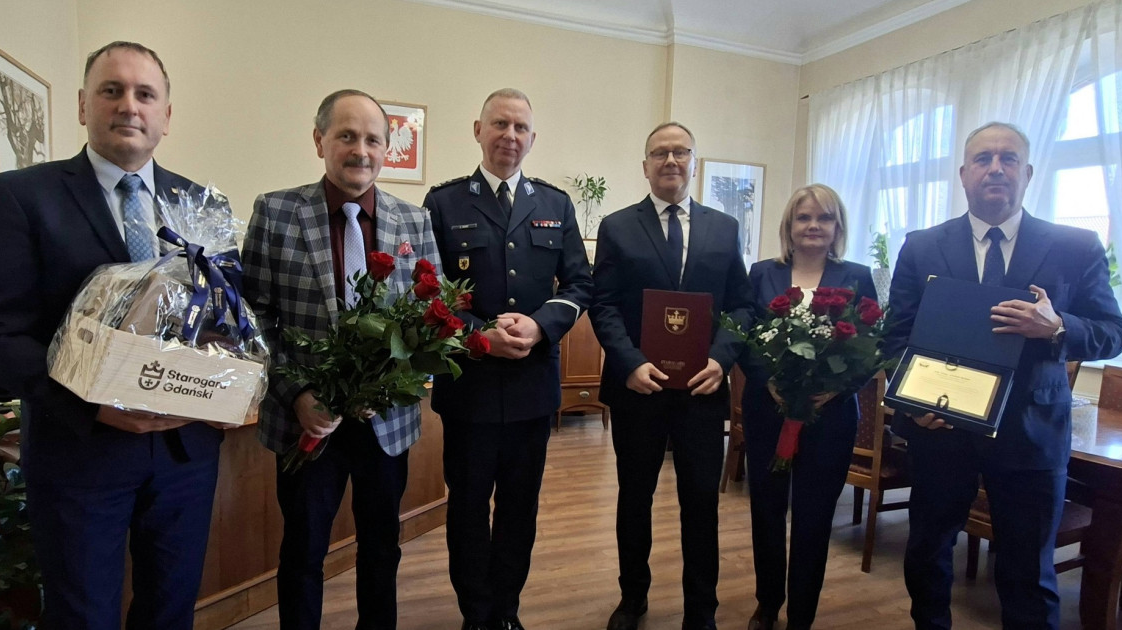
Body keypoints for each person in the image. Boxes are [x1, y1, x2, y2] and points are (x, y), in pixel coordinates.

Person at [0, 42, 221, 628]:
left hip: (186, 453)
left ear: (166, 116)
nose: (129, 105)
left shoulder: (201, 204)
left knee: (171, 612)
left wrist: (229, 386)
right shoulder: (17, 197)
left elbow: (226, 319)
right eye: (112, 90)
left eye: (145, 94)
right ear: (83, 105)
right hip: (77, 451)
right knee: (84, 617)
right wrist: (92, 403)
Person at [887, 121, 1122, 629]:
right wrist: (911, 404)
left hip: (1032, 437)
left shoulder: (1076, 245)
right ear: (963, 174)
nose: (995, 168)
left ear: (1028, 172)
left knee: (1028, 573)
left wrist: (1058, 326)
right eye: (983, 159)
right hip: (941, 431)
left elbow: (1114, 332)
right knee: (928, 557)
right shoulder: (922, 246)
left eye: (1008, 158)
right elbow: (896, 338)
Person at [240, 89, 441, 630]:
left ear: (387, 148)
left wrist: (392, 387)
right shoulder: (276, 212)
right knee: (303, 550)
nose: (360, 150)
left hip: (385, 424)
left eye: (373, 139)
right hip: (307, 424)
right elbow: (253, 318)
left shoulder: (414, 222)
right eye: (346, 136)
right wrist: (297, 395)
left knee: (382, 547)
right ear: (319, 140)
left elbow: (431, 318)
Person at [423, 88, 592, 630]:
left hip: (531, 390)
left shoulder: (555, 204)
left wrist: (542, 324)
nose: (510, 137)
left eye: (520, 128)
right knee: (468, 509)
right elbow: (429, 292)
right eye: (500, 124)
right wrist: (479, 336)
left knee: (520, 510)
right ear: (478, 130)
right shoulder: (444, 203)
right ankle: (476, 614)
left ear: (532, 139)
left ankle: (508, 611)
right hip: (468, 387)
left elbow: (582, 283)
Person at [590, 121, 756, 630]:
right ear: (644, 165)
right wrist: (630, 361)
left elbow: (743, 307)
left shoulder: (724, 228)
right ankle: (632, 597)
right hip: (638, 388)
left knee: (701, 502)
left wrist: (721, 359)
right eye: (659, 153)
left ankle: (700, 609)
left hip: (702, 391)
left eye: (680, 152)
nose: (670, 161)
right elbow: (605, 305)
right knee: (634, 498)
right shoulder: (618, 227)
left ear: (694, 163)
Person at [739, 184, 876, 630]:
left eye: (824, 218)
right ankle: (767, 603)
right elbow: (743, 339)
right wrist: (771, 382)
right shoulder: (762, 273)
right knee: (766, 510)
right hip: (768, 412)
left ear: (837, 227)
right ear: (789, 226)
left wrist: (837, 388)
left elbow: (873, 347)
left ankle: (802, 615)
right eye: (804, 218)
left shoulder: (857, 275)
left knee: (815, 518)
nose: (813, 226)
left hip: (830, 417)